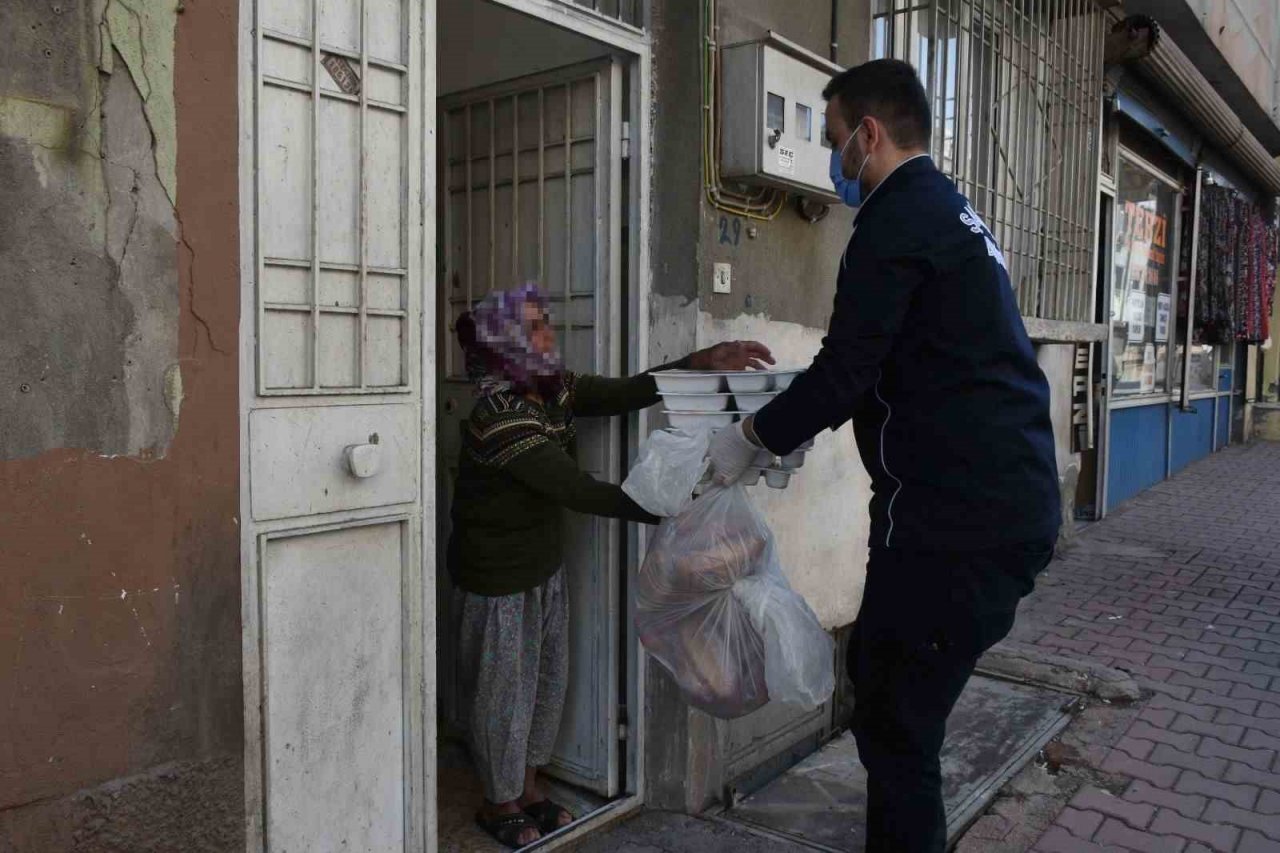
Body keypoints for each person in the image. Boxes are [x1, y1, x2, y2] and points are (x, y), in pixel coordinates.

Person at [708, 59, 1061, 853]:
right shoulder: (951, 213)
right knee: (881, 679)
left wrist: (750, 438)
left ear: (868, 134)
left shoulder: (895, 221)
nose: (834, 162)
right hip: (995, 510)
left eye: (833, 140)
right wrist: (805, 414)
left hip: (954, 525)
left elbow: (846, 371)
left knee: (898, 728)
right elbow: (894, 366)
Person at [450, 282, 772, 849]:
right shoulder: (498, 417)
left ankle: (527, 788)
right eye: (535, 328)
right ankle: (498, 801)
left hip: (542, 568)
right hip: (495, 578)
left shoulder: (550, 392)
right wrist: (679, 507)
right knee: (503, 692)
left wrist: (699, 363)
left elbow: (626, 392)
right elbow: (577, 490)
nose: (550, 334)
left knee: (546, 681)